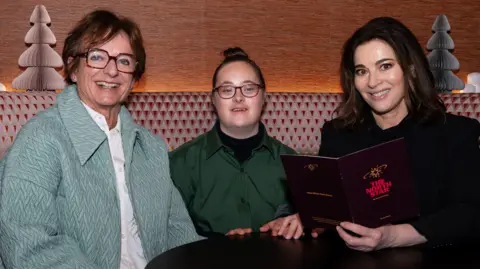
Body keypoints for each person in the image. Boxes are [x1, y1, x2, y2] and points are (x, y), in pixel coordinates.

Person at [0, 10, 201, 269]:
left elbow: (179, 233)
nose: (112, 70)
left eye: (125, 61)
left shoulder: (150, 148)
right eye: (96, 57)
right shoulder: (42, 138)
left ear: (134, 78)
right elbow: (26, 244)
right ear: (73, 68)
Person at [318, 16, 480, 251]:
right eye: (362, 71)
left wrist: (397, 236)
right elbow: (326, 208)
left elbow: (472, 212)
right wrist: (307, 220)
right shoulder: (337, 135)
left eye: (385, 66)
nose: (373, 82)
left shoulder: (457, 134)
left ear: (410, 69)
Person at [169, 47, 305, 240]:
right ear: (213, 100)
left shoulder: (293, 162)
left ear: (264, 97)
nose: (238, 97)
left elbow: (315, 225)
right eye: (227, 90)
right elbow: (168, 233)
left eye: (249, 88)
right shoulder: (180, 163)